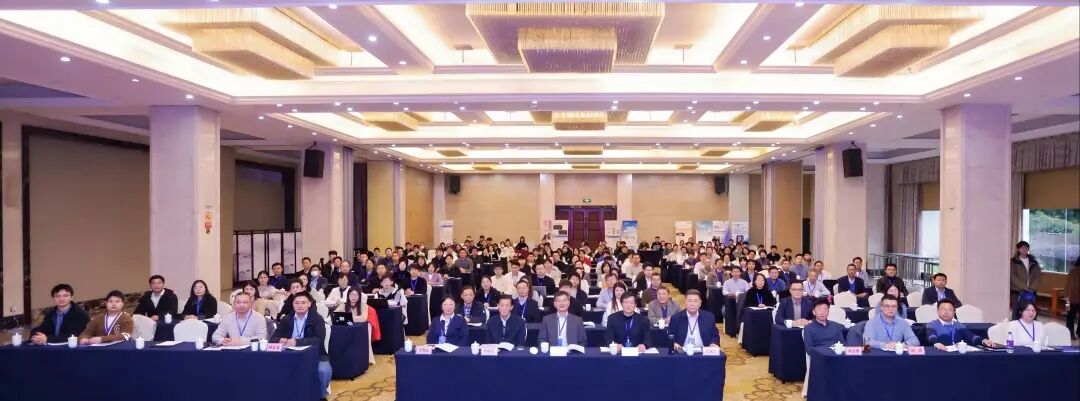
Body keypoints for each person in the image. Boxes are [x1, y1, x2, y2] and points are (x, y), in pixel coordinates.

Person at [270, 292, 332, 400]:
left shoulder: (317, 319)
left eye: (303, 302)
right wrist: (280, 340)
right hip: (289, 356)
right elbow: (273, 338)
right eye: (297, 303)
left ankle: (321, 396)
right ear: (293, 304)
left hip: (315, 355)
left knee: (323, 371)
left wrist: (298, 342)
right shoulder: (286, 319)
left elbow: (318, 339)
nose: (300, 305)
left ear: (309, 304)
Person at [926, 299, 992, 350]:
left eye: (950, 309)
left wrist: (983, 340)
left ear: (954, 312)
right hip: (940, 354)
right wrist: (936, 343)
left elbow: (971, 336)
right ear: (937, 311)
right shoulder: (932, 324)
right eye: (943, 309)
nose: (946, 312)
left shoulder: (959, 325)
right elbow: (931, 336)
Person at [1010, 241, 1042, 320]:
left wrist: (1032, 288)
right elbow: (1013, 277)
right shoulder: (1013, 261)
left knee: (1031, 311)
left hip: (1031, 291)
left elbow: (1038, 275)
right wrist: (1024, 287)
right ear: (1018, 249)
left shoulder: (1034, 262)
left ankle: (1031, 327)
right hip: (1017, 291)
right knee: (1017, 312)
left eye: (1026, 248)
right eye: (1022, 248)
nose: (1024, 249)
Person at [1067, 256, 1080, 340]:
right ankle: (1070, 333)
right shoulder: (1074, 271)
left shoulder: (1073, 270)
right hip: (1073, 298)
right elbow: (1070, 285)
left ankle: (1075, 333)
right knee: (1071, 316)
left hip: (1073, 297)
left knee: (1070, 316)